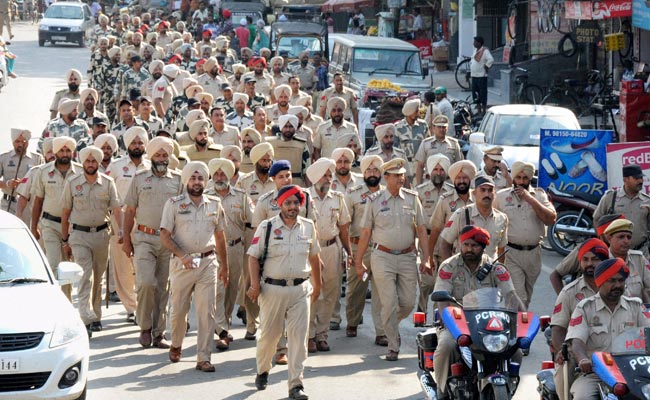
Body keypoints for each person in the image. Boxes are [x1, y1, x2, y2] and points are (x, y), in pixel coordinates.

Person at [247, 184, 322, 400]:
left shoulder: (308, 226)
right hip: (272, 289)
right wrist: (254, 285)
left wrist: (317, 285)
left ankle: (295, 385)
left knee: (299, 338)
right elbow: (253, 256)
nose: (292, 207)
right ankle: (262, 369)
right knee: (269, 336)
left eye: (296, 203)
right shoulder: (267, 227)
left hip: (300, 290)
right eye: (288, 203)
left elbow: (315, 257)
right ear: (280, 205)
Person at [354, 158, 431, 361]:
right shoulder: (374, 200)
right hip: (382, 257)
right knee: (388, 302)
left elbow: (422, 230)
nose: (401, 178)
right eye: (396, 175)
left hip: (407, 256)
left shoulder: (413, 199)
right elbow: (365, 233)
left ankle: (389, 323)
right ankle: (393, 345)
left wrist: (426, 258)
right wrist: (358, 261)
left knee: (407, 303)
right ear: (386, 177)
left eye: (403, 175)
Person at [433, 225, 523, 398]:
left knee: (516, 350)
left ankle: (509, 386)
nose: (469, 249)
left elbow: (511, 296)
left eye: (474, 246)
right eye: (466, 244)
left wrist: (521, 317)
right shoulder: (449, 266)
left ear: (483, 247)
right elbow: (442, 300)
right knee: (447, 346)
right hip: (456, 324)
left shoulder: (496, 268)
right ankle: (442, 389)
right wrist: (449, 322)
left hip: (487, 324)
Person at [160, 161, 229, 372]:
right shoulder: (173, 204)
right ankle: (177, 343)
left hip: (207, 262)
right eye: (193, 178)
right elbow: (164, 234)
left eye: (200, 178)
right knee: (178, 311)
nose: (197, 182)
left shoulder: (214, 204)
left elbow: (220, 236)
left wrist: (225, 266)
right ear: (186, 180)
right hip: (183, 264)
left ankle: (203, 357)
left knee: (207, 311)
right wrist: (183, 255)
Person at [567, 258, 650, 399]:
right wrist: (582, 360)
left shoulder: (636, 306)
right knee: (583, 396)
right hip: (595, 375)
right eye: (611, 281)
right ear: (600, 282)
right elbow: (577, 341)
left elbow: (649, 333)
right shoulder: (585, 308)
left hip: (634, 374)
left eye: (620, 281)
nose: (617, 285)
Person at [61, 146, 120, 337]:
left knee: (98, 276)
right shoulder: (72, 183)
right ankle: (85, 317)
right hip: (79, 236)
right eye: (87, 161)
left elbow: (117, 210)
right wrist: (65, 239)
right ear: (82, 163)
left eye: (94, 161)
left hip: (102, 235)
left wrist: (122, 234)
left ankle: (96, 315)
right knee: (85, 275)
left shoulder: (108, 183)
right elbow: (65, 212)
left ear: (98, 163)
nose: (91, 164)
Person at [550, 239, 610, 400]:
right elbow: (557, 328)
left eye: (595, 259)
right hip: (579, 356)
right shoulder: (569, 292)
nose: (590, 263)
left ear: (605, 262)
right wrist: (561, 352)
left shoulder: (617, 288)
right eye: (585, 259)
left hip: (613, 356)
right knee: (566, 379)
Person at [205, 158, 253, 350]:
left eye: (222, 174)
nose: (219, 177)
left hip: (235, 248)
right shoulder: (206, 195)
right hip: (212, 250)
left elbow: (251, 223)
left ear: (230, 176)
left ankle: (223, 326)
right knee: (217, 289)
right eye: (215, 174)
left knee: (231, 289)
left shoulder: (241, 196)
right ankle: (221, 329)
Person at [494, 161, 556, 308]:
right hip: (511, 253)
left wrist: (530, 199)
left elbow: (551, 219)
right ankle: (518, 328)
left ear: (530, 179)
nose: (521, 182)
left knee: (525, 298)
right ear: (513, 178)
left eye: (525, 178)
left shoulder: (539, 196)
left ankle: (513, 325)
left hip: (534, 254)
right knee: (518, 296)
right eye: (518, 178)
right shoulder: (501, 197)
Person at [305, 158, 352, 353]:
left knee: (330, 295)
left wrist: (349, 254)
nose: (328, 178)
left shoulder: (338, 198)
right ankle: (309, 335)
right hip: (310, 251)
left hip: (332, 248)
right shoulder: (305, 197)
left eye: (329, 175)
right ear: (316, 177)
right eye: (325, 175)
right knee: (313, 292)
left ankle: (322, 335)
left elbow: (343, 228)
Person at [105, 127, 150, 325]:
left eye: (140, 143)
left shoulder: (150, 166)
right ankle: (131, 308)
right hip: (120, 219)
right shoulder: (115, 167)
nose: (137, 146)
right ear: (127, 145)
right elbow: (106, 191)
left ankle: (143, 305)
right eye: (134, 143)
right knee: (122, 268)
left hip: (144, 219)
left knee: (142, 266)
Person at [344, 155, 386, 344]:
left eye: (376, 170)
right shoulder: (353, 193)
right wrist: (348, 252)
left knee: (380, 291)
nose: (372, 173)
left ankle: (381, 331)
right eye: (368, 170)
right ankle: (352, 322)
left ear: (381, 173)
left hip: (380, 249)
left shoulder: (387, 194)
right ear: (363, 173)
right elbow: (344, 223)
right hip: (357, 247)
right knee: (356, 288)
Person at [31, 137, 80, 301]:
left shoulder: (80, 172)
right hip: (50, 225)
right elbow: (38, 201)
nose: (65, 154)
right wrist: (33, 227)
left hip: (74, 228)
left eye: (68, 151)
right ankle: (55, 302)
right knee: (54, 265)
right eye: (61, 150)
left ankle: (66, 302)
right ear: (56, 152)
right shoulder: (43, 172)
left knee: (69, 268)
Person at [415, 154, 453, 312]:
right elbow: (414, 220)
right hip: (428, 240)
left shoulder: (452, 191)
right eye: (435, 169)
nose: (438, 172)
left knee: (443, 283)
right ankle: (421, 312)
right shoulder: (420, 192)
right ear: (430, 172)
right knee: (428, 282)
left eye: (441, 169)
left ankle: (440, 317)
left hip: (447, 241)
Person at [439, 175, 508, 261]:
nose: (487, 194)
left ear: (494, 194)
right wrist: (449, 270)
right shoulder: (462, 214)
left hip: (489, 271)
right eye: (482, 190)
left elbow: (501, 250)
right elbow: (445, 244)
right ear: (474, 193)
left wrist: (498, 271)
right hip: (464, 270)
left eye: (490, 190)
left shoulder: (501, 218)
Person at [593, 164, 650, 258]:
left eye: (641, 178)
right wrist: (603, 241)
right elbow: (597, 219)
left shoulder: (647, 200)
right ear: (625, 179)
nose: (640, 181)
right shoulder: (611, 197)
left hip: (641, 253)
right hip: (616, 254)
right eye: (636, 178)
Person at [428, 160, 476, 268]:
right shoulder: (445, 200)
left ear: (470, 179)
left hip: (475, 256)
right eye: (458, 178)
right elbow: (435, 230)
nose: (461, 181)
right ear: (454, 180)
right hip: (449, 255)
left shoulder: (478, 198)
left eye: (465, 178)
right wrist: (429, 256)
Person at [0, 129, 44, 218]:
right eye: (17, 141)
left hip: (28, 206)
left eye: (23, 141)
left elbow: (44, 183)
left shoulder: (37, 159)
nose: (20, 144)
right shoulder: (4, 158)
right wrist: (8, 184)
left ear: (28, 142)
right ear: (13, 142)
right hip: (8, 204)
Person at [414, 115, 462, 185]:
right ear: (434, 128)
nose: (441, 129)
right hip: (429, 183)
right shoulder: (425, 143)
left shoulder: (454, 144)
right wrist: (419, 186)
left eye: (444, 127)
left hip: (448, 183)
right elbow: (420, 166)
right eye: (439, 127)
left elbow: (459, 166)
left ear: (447, 128)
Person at [267, 115, 310, 187]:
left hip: (297, 184)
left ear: (295, 128)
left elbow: (306, 170)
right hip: (275, 184)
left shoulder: (302, 145)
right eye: (285, 126)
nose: (288, 129)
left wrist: (309, 189)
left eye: (291, 127)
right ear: (281, 128)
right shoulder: (271, 143)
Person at [395, 98, 429, 173]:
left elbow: (428, 145)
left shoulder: (423, 125)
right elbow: (395, 149)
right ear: (410, 112)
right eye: (416, 111)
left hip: (420, 166)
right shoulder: (398, 127)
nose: (418, 113)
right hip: (405, 166)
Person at [470, 36, 493, 116]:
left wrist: (486, 66)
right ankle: (478, 110)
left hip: (481, 76)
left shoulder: (485, 51)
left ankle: (483, 110)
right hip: (474, 75)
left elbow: (491, 59)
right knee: (475, 93)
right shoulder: (475, 51)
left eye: (475, 42)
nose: (474, 43)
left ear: (479, 43)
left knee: (482, 93)